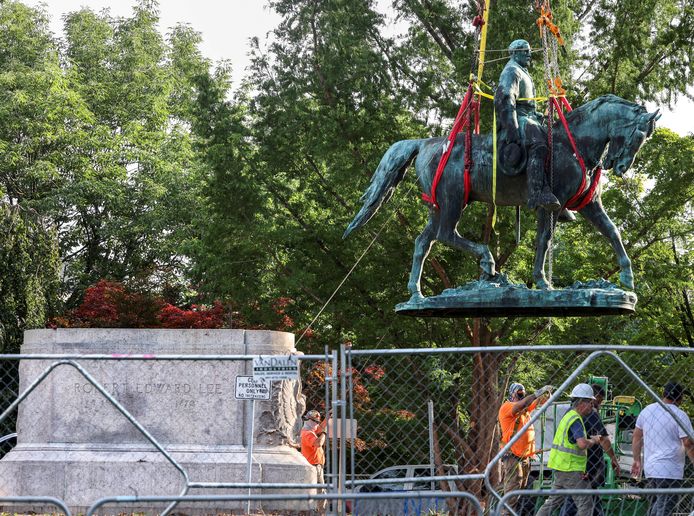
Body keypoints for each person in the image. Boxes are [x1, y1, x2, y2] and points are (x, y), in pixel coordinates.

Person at [494, 39, 561, 212]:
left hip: (528, 117)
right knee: (538, 144)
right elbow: (505, 99)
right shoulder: (512, 71)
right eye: (525, 51)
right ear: (515, 53)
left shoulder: (522, 71)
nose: (529, 54)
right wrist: (512, 127)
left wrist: (537, 115)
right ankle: (536, 193)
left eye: (529, 50)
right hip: (518, 118)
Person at [535, 383, 603, 516]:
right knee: (586, 505)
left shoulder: (569, 416)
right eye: (590, 402)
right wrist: (594, 440)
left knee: (552, 502)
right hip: (570, 469)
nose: (592, 406)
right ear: (582, 403)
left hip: (561, 467)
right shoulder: (575, 420)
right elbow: (582, 444)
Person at [631, 381, 694, 516]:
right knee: (664, 508)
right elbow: (688, 443)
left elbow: (636, 437)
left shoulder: (647, 411)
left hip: (651, 469)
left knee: (656, 505)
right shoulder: (680, 415)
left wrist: (636, 460)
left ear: (663, 394)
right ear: (680, 398)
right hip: (670, 470)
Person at [560, 384, 620, 516]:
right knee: (576, 502)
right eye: (597, 401)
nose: (597, 405)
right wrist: (613, 459)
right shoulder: (591, 414)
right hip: (587, 466)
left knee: (587, 500)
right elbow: (603, 439)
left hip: (576, 465)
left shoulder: (570, 412)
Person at [497, 381, 552, 515]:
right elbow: (522, 404)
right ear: (512, 395)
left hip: (524, 458)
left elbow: (540, 402)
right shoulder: (508, 407)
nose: (521, 397)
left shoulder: (524, 410)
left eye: (523, 395)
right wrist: (536, 393)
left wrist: (547, 394)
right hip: (512, 457)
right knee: (511, 495)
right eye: (519, 394)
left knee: (518, 494)